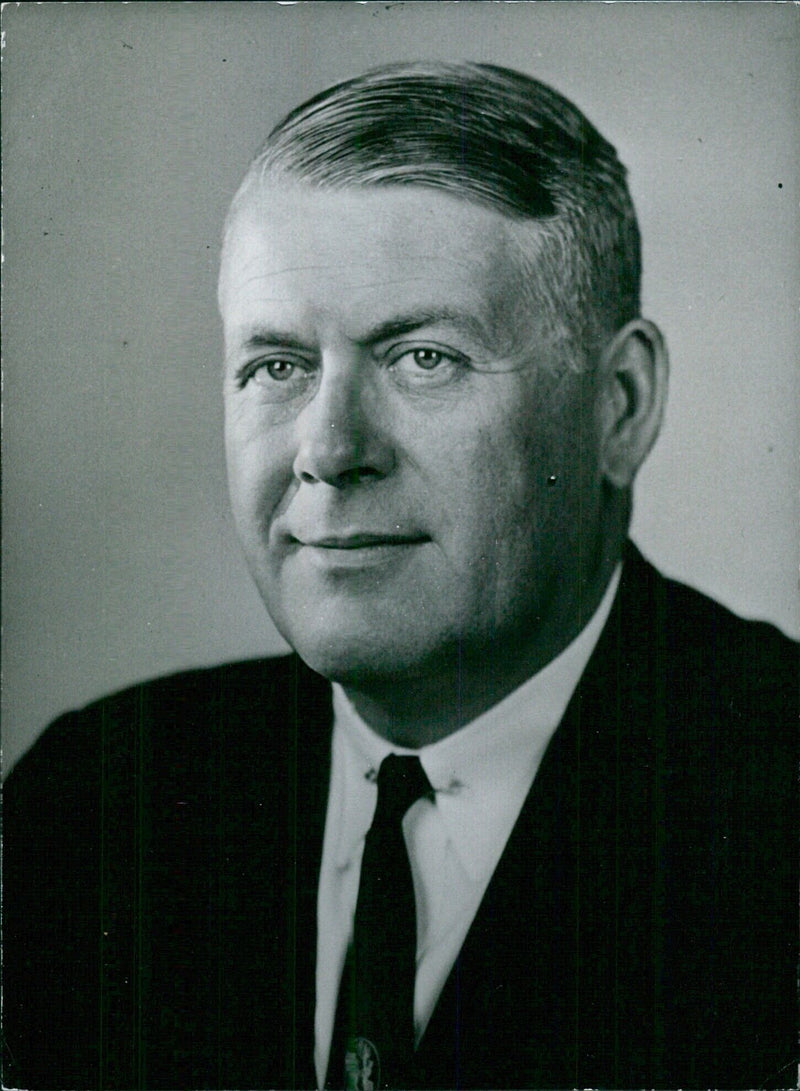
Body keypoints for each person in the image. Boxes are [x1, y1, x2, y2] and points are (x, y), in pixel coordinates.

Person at [4, 62, 797, 1091]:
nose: (329, 449)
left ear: (619, 403)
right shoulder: (92, 806)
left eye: (422, 358)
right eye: (276, 366)